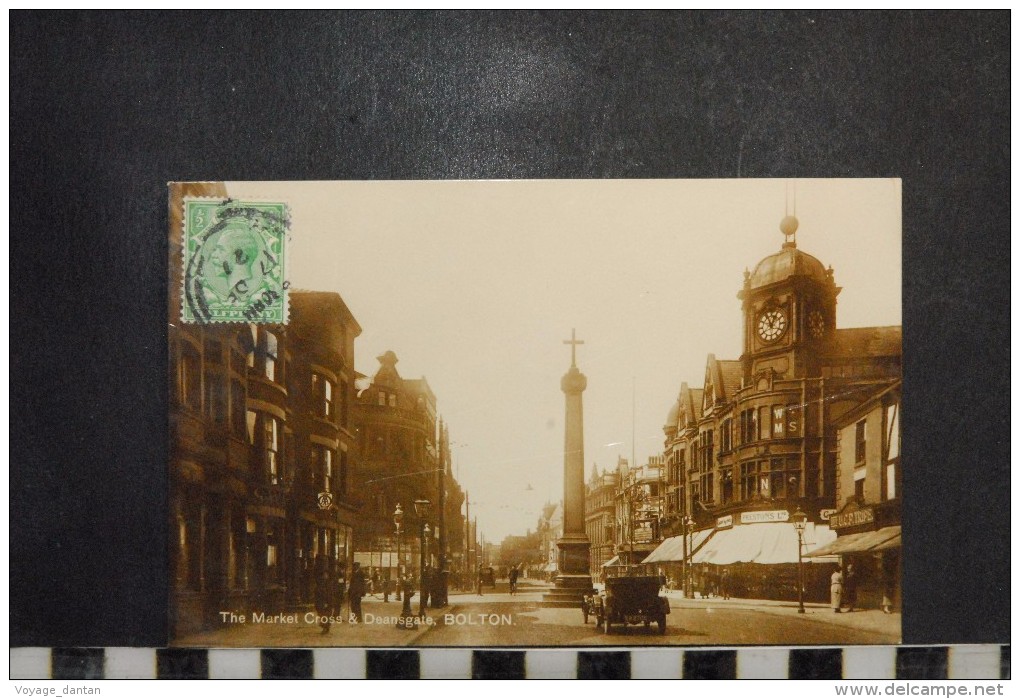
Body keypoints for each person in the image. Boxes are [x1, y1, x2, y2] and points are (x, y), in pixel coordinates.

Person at [314, 567, 333, 634]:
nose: (324, 575)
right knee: (322, 615)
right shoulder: (322, 582)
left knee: (325, 615)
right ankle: (326, 627)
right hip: (321, 601)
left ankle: (325, 628)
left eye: (325, 574)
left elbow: (328, 593)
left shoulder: (328, 583)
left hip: (326, 602)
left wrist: (326, 602)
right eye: (323, 574)